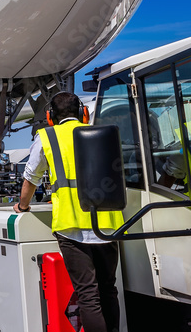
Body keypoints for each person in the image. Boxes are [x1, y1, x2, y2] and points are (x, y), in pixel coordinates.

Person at [13, 92, 125, 332]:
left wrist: (22, 206)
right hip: (108, 224)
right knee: (108, 289)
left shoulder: (47, 137)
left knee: (88, 293)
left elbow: (30, 179)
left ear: (50, 116)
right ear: (83, 113)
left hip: (72, 227)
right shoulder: (102, 133)